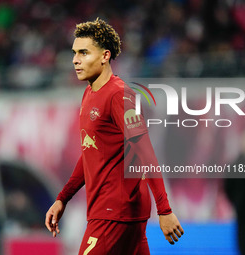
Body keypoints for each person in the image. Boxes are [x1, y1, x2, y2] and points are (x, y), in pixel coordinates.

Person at [45, 18, 183, 254]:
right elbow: (92, 152)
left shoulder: (119, 95)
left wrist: (164, 209)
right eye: (74, 53)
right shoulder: (89, 93)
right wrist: (63, 198)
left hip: (113, 214)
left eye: (84, 52)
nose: (75, 60)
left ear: (105, 56)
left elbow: (145, 152)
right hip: (117, 213)